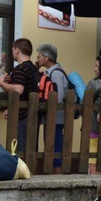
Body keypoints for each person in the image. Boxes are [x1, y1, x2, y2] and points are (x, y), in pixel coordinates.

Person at [1, 38, 37, 153]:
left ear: (17, 50)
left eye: (12, 49)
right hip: (32, 113)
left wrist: (1, 83)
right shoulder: (33, 68)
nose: (12, 52)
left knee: (19, 150)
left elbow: (18, 90)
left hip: (21, 116)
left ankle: (22, 171)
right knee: (30, 150)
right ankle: (31, 171)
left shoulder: (20, 69)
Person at [36, 43, 67, 173]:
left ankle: (57, 175)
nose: (37, 60)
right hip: (51, 118)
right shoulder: (50, 73)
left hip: (56, 119)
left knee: (55, 149)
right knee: (51, 147)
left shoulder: (56, 74)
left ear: (47, 58)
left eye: (39, 57)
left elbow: (57, 99)